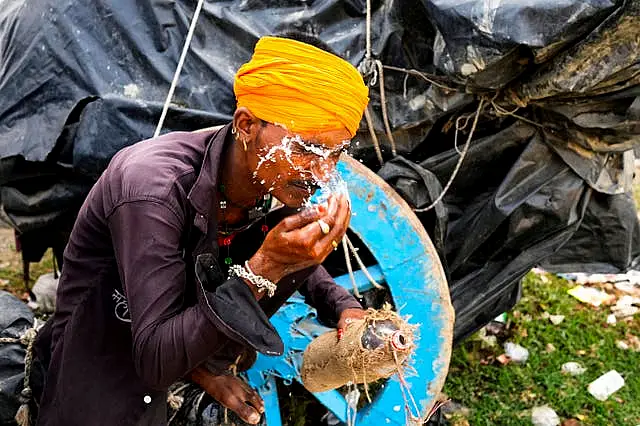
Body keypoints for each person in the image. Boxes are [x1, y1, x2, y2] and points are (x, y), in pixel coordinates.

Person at [33, 34, 370, 426]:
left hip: (179, 337)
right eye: (307, 150)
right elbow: (155, 361)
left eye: (336, 154)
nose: (322, 173)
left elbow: (289, 249)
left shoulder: (268, 174)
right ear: (246, 125)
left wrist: (344, 305)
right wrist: (265, 269)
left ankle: (200, 367)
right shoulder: (152, 189)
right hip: (110, 345)